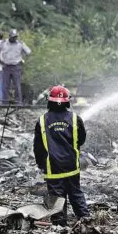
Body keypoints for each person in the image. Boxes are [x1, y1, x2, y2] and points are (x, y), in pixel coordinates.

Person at [33, 85, 89, 226]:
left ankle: (60, 226)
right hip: (72, 167)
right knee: (76, 194)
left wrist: (41, 164)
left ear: (49, 101)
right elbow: (81, 140)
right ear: (67, 101)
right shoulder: (76, 119)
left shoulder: (41, 121)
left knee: (57, 198)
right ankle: (86, 220)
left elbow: (38, 147)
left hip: (53, 168)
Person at [0, 29, 31, 105]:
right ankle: (5, 103)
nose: (14, 38)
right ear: (9, 36)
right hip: (6, 66)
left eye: (15, 37)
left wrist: (23, 60)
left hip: (16, 67)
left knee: (17, 85)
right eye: (13, 37)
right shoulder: (3, 43)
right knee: (5, 86)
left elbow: (28, 52)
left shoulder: (20, 44)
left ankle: (18, 103)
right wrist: (0, 61)